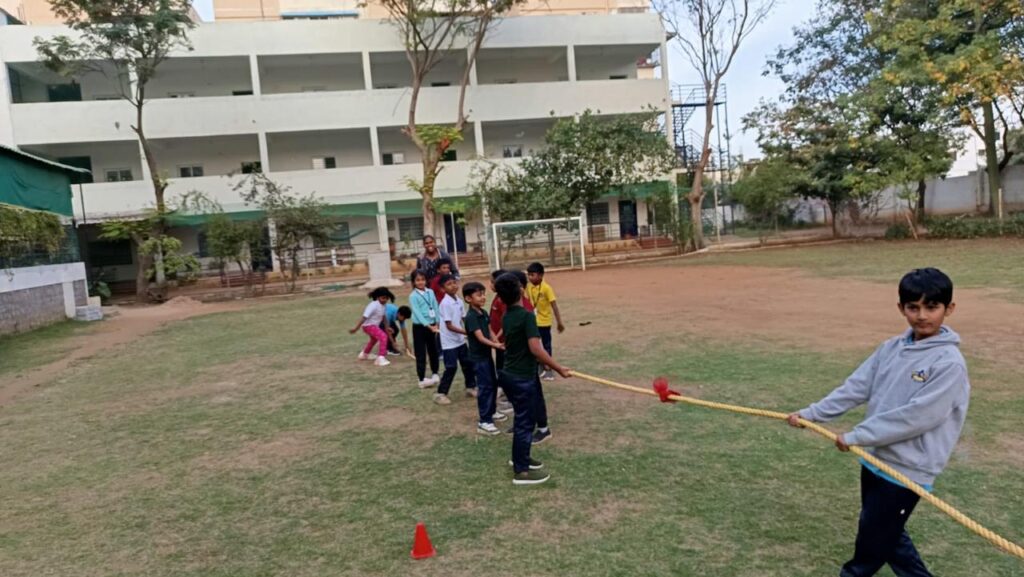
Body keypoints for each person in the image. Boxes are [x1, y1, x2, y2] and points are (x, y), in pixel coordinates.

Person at [787, 268, 969, 577]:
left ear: (948, 309)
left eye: (931, 307)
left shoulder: (948, 364)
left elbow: (918, 417)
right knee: (888, 535)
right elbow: (856, 387)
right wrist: (811, 414)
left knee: (871, 546)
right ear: (901, 308)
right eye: (913, 307)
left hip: (907, 468)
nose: (922, 315)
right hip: (875, 460)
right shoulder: (891, 349)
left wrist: (859, 435)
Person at [494, 272, 571, 486]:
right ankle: (522, 472)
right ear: (521, 290)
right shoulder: (527, 315)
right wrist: (558, 368)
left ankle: (521, 458)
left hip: (510, 375)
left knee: (522, 420)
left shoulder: (508, 315)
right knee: (525, 422)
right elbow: (536, 348)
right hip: (521, 378)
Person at [462, 281, 509, 435]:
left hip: (486, 356)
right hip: (478, 358)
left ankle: (492, 412)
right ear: (468, 299)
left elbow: (489, 331)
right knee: (485, 388)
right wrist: (497, 346)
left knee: (493, 383)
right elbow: (480, 338)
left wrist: (497, 341)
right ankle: (484, 421)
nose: (483, 297)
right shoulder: (471, 317)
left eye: (483, 294)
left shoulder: (483, 313)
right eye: (478, 295)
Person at [435, 273, 476, 405]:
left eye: (454, 282)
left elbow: (463, 318)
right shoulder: (445, 303)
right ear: (442, 289)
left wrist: (471, 329)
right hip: (449, 342)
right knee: (451, 367)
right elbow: (449, 325)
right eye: (449, 284)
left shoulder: (458, 300)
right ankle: (441, 393)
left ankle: (470, 387)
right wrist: (466, 332)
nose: (453, 286)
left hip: (460, 340)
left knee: (467, 363)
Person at [526, 262, 565, 381]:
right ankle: (538, 366)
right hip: (533, 321)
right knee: (534, 345)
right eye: (529, 275)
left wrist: (559, 322)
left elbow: (554, 306)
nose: (530, 277)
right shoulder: (528, 287)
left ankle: (548, 369)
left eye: (533, 275)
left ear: (541, 275)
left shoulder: (547, 288)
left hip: (544, 322)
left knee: (546, 345)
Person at [409, 270, 441, 388]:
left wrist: (437, 322)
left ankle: (435, 373)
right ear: (413, 282)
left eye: (422, 279)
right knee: (421, 352)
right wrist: (428, 326)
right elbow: (417, 313)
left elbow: (435, 306)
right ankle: (421, 378)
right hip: (420, 327)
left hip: (433, 325)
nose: (421, 282)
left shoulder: (430, 292)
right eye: (418, 280)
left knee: (433, 350)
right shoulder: (413, 296)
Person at [349, 287, 394, 367]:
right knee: (383, 336)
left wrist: (387, 327)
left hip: (373, 326)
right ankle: (380, 358)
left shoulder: (383, 305)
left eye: (387, 298)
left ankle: (364, 354)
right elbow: (364, 317)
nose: (385, 300)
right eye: (383, 298)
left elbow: (384, 318)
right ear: (378, 297)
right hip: (368, 326)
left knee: (374, 339)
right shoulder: (373, 305)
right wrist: (356, 329)